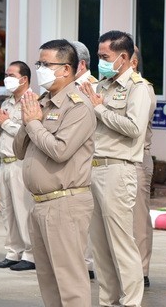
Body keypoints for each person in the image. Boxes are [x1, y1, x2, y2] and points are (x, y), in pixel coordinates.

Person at [13, 39, 96, 307]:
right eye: (39, 63)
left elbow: (60, 150)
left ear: (66, 69)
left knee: (70, 282)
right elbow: (18, 150)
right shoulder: (42, 102)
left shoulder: (78, 106)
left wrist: (33, 124)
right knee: (48, 280)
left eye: (46, 64)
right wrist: (28, 122)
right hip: (40, 202)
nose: (40, 69)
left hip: (65, 202)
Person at [79, 30, 150, 307]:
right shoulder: (102, 86)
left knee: (121, 243)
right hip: (94, 168)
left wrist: (100, 110)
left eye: (105, 57)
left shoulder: (138, 87)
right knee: (100, 245)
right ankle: (108, 301)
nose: (101, 62)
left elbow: (134, 128)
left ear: (123, 57)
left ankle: (131, 301)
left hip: (119, 169)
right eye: (99, 56)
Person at [0, 61, 35, 271]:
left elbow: (29, 133)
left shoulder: (32, 102)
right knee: (7, 210)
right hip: (4, 161)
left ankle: (30, 254)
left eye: (11, 75)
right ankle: (13, 251)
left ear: (24, 79)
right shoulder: (6, 102)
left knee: (23, 209)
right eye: (6, 75)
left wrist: (5, 123)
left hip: (20, 162)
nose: (7, 78)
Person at [71, 40, 98, 280]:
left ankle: (87, 264)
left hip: (89, 159)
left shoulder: (95, 88)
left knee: (87, 217)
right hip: (67, 160)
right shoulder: (64, 88)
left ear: (79, 64)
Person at [131, 46, 157, 288]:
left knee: (138, 218)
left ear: (133, 61)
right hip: (115, 161)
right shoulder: (108, 87)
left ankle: (141, 270)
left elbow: (135, 127)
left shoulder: (143, 88)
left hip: (138, 158)